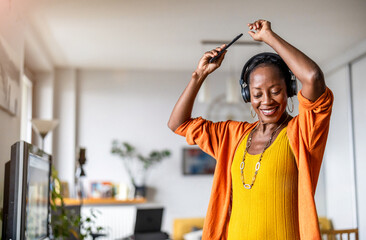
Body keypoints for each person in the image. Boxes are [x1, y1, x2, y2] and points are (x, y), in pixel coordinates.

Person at [168, 19, 333, 240]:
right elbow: (178, 124)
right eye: (257, 94)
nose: (266, 101)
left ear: (290, 90)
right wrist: (199, 76)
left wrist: (269, 37)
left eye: (275, 91)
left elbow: (313, 77)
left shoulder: (303, 131)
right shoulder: (232, 135)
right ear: (248, 97)